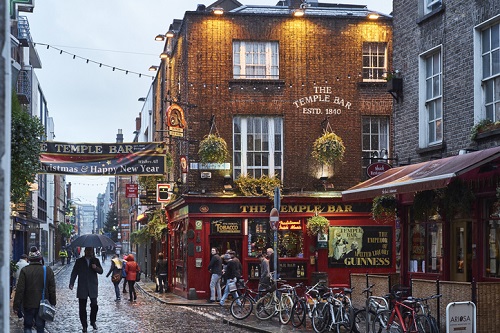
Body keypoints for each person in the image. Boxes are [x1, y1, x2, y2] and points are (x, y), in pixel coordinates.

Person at [13, 248, 56, 333]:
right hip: (42, 303)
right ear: (40, 259)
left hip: (28, 304)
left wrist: (16, 305)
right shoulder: (47, 270)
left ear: (29, 259)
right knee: (40, 327)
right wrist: (53, 302)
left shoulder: (25, 270)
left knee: (28, 326)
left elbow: (20, 289)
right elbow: (52, 289)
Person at [69, 247, 103, 332]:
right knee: (82, 308)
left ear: (92, 251)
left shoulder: (96, 260)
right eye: (88, 250)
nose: (89, 252)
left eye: (91, 251)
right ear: (85, 251)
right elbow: (74, 272)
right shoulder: (79, 261)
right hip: (82, 286)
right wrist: (71, 283)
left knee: (94, 305)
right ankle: (84, 325)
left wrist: (96, 268)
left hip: (92, 286)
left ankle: (93, 321)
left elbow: (101, 271)